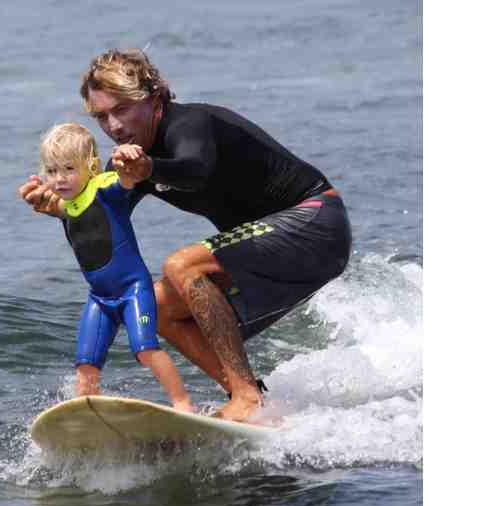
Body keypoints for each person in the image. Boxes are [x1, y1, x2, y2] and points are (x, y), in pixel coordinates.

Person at [20, 49, 351, 423]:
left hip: (316, 222)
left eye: (123, 109)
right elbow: (103, 224)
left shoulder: (190, 124)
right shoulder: (127, 163)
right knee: (156, 306)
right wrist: (62, 211)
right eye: (101, 116)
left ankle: (244, 397)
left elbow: (196, 171)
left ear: (154, 96)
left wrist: (148, 168)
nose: (112, 125)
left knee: (181, 265)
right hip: (270, 251)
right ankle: (254, 402)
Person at [30, 122, 193, 413]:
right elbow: (56, 207)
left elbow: (126, 181)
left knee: (145, 350)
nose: (59, 179)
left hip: (133, 290)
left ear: (91, 166)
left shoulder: (104, 187)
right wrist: (35, 196)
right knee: (86, 364)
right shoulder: (67, 205)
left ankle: (182, 402)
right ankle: (85, 414)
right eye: (52, 171)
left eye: (69, 169)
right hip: (100, 298)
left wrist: (127, 159)